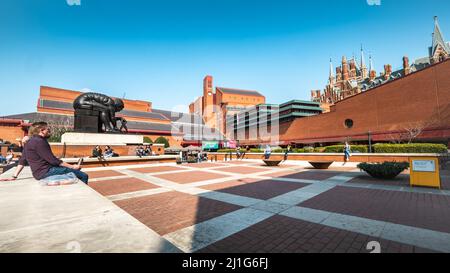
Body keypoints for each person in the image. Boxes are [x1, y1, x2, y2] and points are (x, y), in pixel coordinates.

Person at [22, 122, 88, 184]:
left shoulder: (30, 141)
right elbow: (54, 161)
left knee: (68, 171)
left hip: (38, 173)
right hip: (46, 172)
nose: (49, 131)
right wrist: (72, 166)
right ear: (42, 131)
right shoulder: (40, 141)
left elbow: (24, 159)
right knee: (83, 175)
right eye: (48, 129)